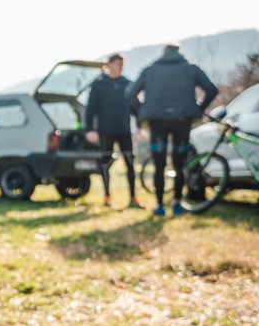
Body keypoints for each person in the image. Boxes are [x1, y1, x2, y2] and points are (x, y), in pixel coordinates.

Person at [126, 43, 218, 217]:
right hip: (182, 121)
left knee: (159, 165)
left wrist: (141, 112)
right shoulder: (191, 69)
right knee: (179, 164)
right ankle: (176, 204)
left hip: (157, 122)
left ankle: (160, 205)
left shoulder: (150, 70)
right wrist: (197, 109)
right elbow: (212, 90)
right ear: (179, 52)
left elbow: (130, 93)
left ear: (163, 53)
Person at [84, 53, 141, 209]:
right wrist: (90, 129)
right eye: (118, 64)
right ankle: (107, 196)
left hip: (124, 130)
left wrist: (140, 127)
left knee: (130, 163)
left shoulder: (128, 84)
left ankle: (133, 198)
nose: (121, 67)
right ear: (109, 65)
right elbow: (90, 109)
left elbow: (136, 107)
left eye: (122, 64)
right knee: (105, 164)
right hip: (105, 131)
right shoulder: (99, 85)